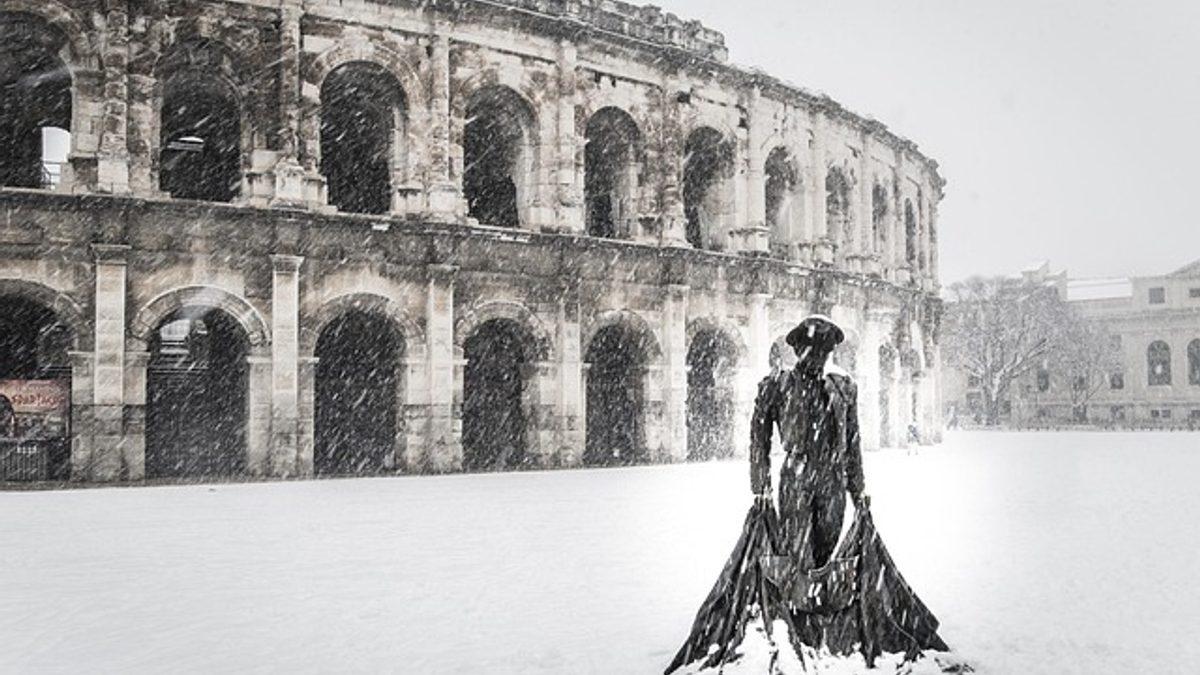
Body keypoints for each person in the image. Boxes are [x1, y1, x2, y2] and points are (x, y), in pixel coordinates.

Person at [666, 315, 950, 674]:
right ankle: (799, 622)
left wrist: (858, 489)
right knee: (798, 554)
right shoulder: (776, 385)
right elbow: (758, 439)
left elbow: (853, 443)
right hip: (796, 477)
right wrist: (761, 485)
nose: (817, 357)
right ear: (798, 349)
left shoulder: (843, 388)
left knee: (829, 554)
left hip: (832, 479)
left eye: (824, 351)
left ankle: (823, 621)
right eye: (812, 350)